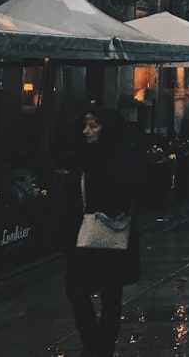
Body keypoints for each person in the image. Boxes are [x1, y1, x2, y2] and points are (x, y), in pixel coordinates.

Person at [62, 105, 144, 357]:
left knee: (111, 293)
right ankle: (94, 343)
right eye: (85, 125)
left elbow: (135, 189)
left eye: (93, 125)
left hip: (112, 232)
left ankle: (103, 347)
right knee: (75, 289)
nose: (86, 131)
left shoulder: (124, 154)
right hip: (82, 234)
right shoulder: (83, 155)